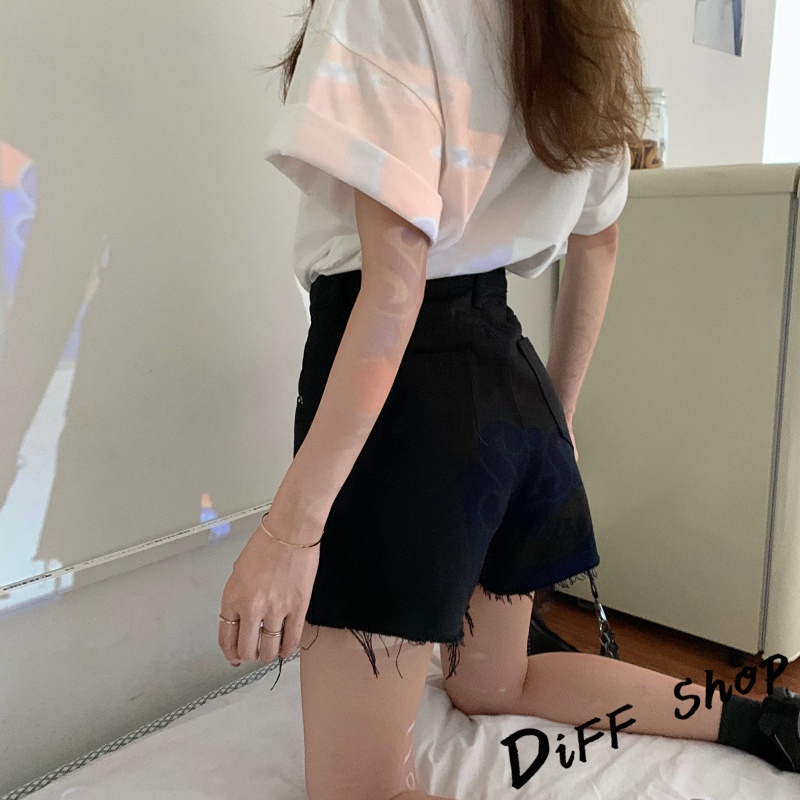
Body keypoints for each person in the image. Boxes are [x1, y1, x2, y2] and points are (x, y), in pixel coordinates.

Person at [218, 1, 800, 798]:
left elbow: (395, 289)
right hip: (510, 379)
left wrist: (290, 529)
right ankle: (763, 722)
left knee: (360, 787)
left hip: (405, 399)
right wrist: (556, 419)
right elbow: (598, 242)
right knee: (496, 682)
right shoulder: (587, 20)